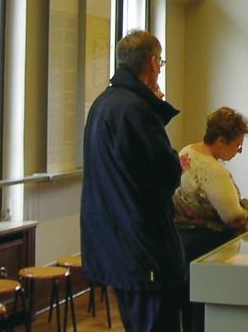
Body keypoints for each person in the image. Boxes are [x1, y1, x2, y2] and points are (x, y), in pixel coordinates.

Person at [81, 30, 185, 332]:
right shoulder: (136, 110)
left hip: (113, 240)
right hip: (142, 244)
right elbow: (166, 174)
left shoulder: (103, 103)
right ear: (153, 64)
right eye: (161, 63)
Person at [173, 106, 248, 332]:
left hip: (181, 242)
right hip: (206, 246)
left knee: (189, 306)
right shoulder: (213, 170)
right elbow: (232, 216)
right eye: (237, 145)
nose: (238, 151)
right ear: (220, 140)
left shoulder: (187, 151)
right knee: (204, 311)